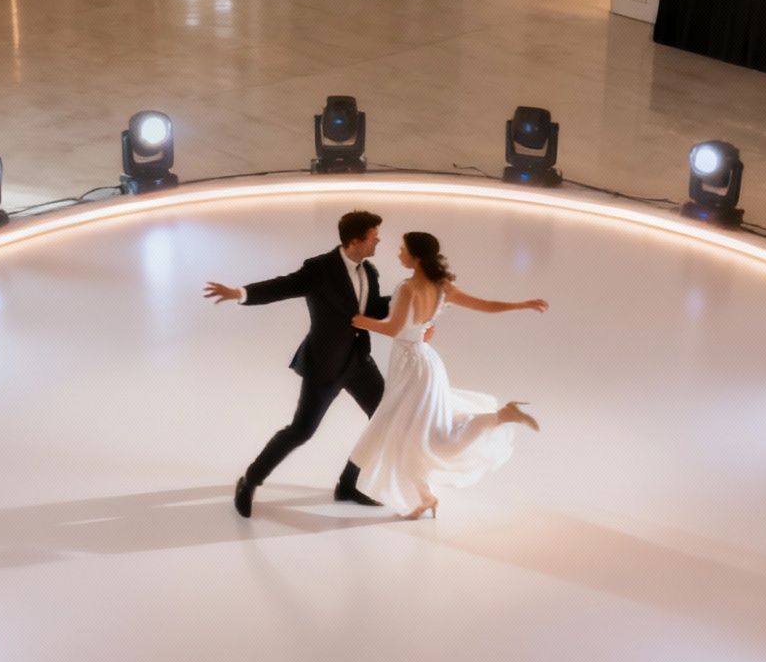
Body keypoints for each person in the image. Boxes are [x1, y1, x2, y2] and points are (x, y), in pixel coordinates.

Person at [204, 210, 395, 518]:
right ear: (355, 240)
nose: (379, 242)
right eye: (374, 237)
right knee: (301, 431)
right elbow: (282, 286)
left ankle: (347, 484)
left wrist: (409, 299)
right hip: (325, 364)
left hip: (359, 362)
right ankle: (250, 480)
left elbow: (370, 308)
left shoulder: (368, 271)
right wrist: (240, 293)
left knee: (385, 420)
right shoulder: (320, 269)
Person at [347, 231, 545, 519]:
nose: (399, 253)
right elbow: (485, 305)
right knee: (407, 436)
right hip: (425, 362)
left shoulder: (408, 288)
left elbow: (393, 329)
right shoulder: (443, 287)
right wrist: (520, 304)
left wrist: (360, 321)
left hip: (412, 366)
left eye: (402, 249)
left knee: (420, 437)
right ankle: (425, 497)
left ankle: (501, 416)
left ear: (415, 256)